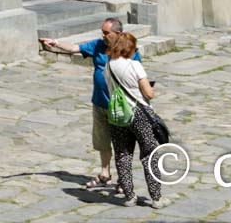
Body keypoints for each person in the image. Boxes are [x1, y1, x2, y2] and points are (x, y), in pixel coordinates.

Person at [42, 17, 134, 191]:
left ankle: (124, 179)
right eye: (103, 32)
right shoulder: (98, 45)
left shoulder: (129, 50)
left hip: (120, 107)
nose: (103, 35)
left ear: (118, 34)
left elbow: (137, 77)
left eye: (107, 33)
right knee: (102, 142)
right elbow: (75, 48)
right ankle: (105, 173)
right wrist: (56, 43)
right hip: (99, 103)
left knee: (121, 144)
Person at [104, 31, 162, 206]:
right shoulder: (134, 65)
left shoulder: (108, 66)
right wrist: (152, 90)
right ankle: (156, 197)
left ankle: (129, 197)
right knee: (149, 154)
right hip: (138, 113)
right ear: (129, 48)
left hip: (118, 115)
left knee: (122, 154)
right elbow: (148, 94)